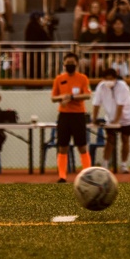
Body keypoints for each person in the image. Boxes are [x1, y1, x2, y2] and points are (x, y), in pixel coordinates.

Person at [50, 52, 93, 183]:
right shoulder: (59, 79)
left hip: (78, 115)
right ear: (63, 64)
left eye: (72, 63)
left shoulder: (82, 78)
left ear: (77, 64)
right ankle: (62, 175)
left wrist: (72, 97)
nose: (70, 65)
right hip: (64, 116)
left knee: (82, 146)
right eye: (67, 63)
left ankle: (87, 174)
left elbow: (87, 95)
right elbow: (53, 97)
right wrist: (62, 98)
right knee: (63, 146)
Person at [91, 68, 130, 173]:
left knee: (125, 139)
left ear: (115, 78)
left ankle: (124, 165)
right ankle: (105, 164)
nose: (108, 81)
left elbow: (120, 105)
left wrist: (116, 121)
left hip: (127, 117)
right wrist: (94, 119)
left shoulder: (122, 87)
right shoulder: (101, 87)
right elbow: (96, 104)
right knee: (110, 140)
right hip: (111, 118)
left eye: (111, 79)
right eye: (106, 79)